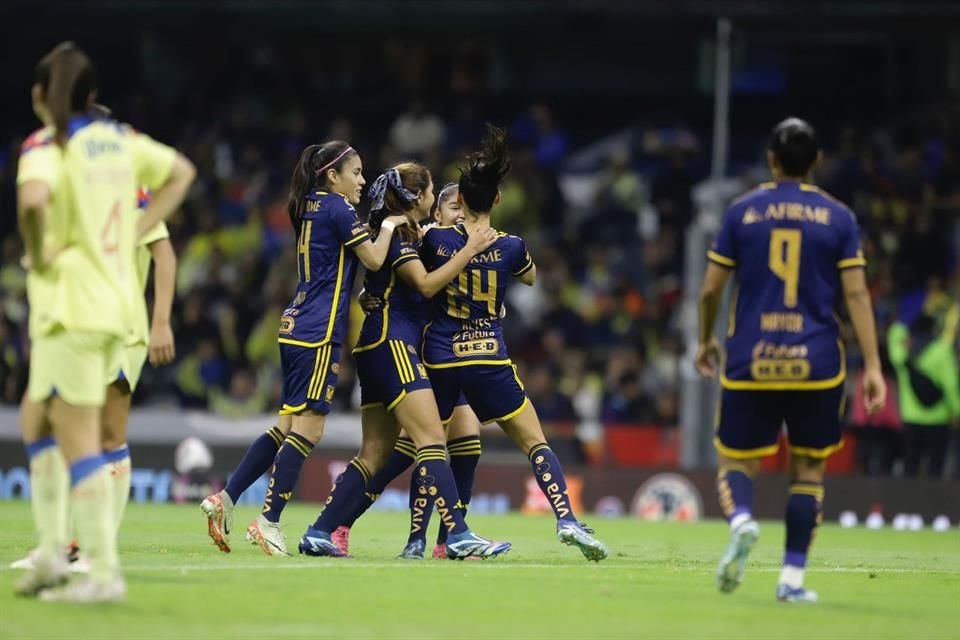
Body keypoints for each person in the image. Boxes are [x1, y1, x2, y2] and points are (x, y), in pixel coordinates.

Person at [15, 42, 195, 602]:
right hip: (113, 305)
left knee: (80, 439)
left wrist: (38, 250)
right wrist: (141, 221)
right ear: (91, 94)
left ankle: (98, 570)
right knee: (36, 421)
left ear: (43, 95)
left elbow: (32, 200)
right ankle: (52, 550)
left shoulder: (49, 144)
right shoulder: (122, 144)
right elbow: (183, 171)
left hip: (73, 306)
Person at [696, 117, 886, 603]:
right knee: (808, 471)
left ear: (771, 159)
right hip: (818, 362)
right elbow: (858, 295)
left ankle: (741, 520)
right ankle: (793, 579)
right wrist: (873, 366)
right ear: (816, 162)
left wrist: (705, 340)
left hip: (752, 357)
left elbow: (711, 290)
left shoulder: (742, 212)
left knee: (736, 459)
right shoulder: (838, 217)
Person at [202, 141, 409, 556]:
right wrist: (388, 226)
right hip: (318, 331)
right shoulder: (337, 207)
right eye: (356, 172)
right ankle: (269, 520)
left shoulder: (307, 204)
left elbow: (340, 262)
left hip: (294, 323)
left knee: (285, 425)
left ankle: (224, 499)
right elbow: (370, 258)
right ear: (333, 176)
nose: (362, 180)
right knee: (308, 429)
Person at [296, 164, 510, 560]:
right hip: (393, 344)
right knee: (431, 439)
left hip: (376, 345)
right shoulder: (399, 236)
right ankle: (458, 535)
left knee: (375, 452)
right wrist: (469, 250)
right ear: (418, 197)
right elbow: (425, 285)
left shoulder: (404, 233)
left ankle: (320, 530)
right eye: (430, 192)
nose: (434, 200)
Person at [420, 125, 608, 562]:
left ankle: (421, 538)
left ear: (459, 202)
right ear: (498, 200)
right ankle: (565, 518)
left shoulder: (435, 239)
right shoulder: (511, 246)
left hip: (442, 357)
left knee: (430, 446)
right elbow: (530, 276)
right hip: (488, 356)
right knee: (535, 442)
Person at [887, 305, 960, 478]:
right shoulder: (942, 351)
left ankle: (908, 503)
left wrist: (902, 322)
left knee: (910, 465)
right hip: (938, 418)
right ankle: (933, 503)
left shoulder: (903, 350)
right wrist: (957, 411)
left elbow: (894, 334)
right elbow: (950, 384)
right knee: (935, 466)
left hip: (911, 418)